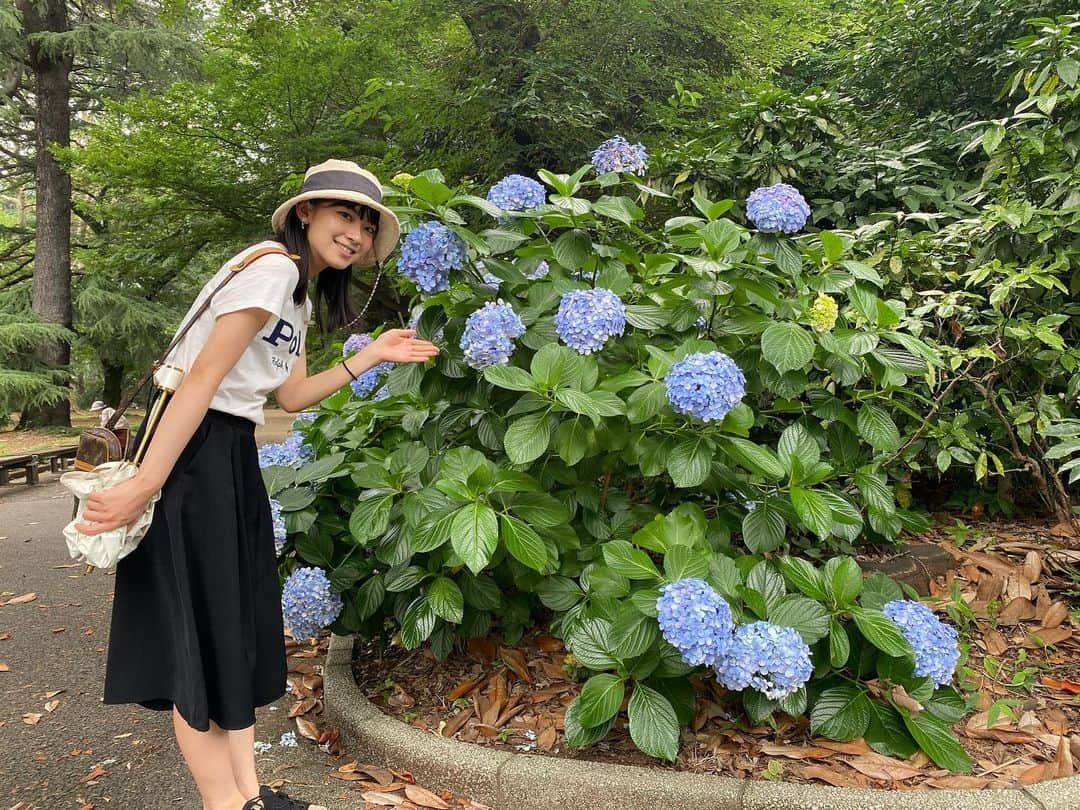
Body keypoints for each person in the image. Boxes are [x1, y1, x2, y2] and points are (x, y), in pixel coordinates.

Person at [73, 159, 440, 810]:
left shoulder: (294, 291)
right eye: (343, 214)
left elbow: (292, 395)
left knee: (229, 635)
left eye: (365, 222)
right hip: (195, 454)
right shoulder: (274, 270)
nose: (355, 233)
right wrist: (148, 481)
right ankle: (228, 804)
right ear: (307, 213)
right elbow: (202, 379)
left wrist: (372, 354)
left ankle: (249, 796)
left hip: (228, 457)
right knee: (197, 642)